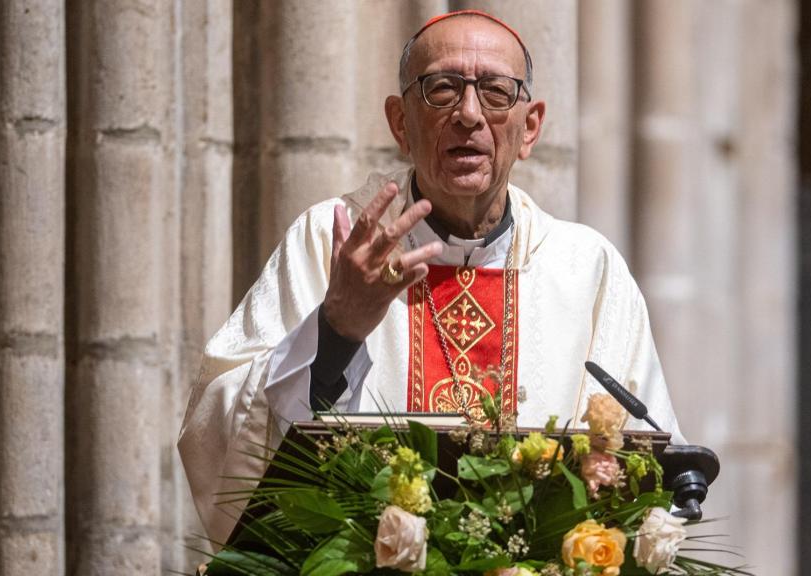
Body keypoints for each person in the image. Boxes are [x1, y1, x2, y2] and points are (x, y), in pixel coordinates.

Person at [178, 10, 683, 547]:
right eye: (442, 89)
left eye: (495, 92)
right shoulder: (332, 240)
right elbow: (217, 432)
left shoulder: (586, 271)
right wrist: (335, 331)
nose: (468, 114)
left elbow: (657, 472)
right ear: (400, 122)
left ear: (529, 127)